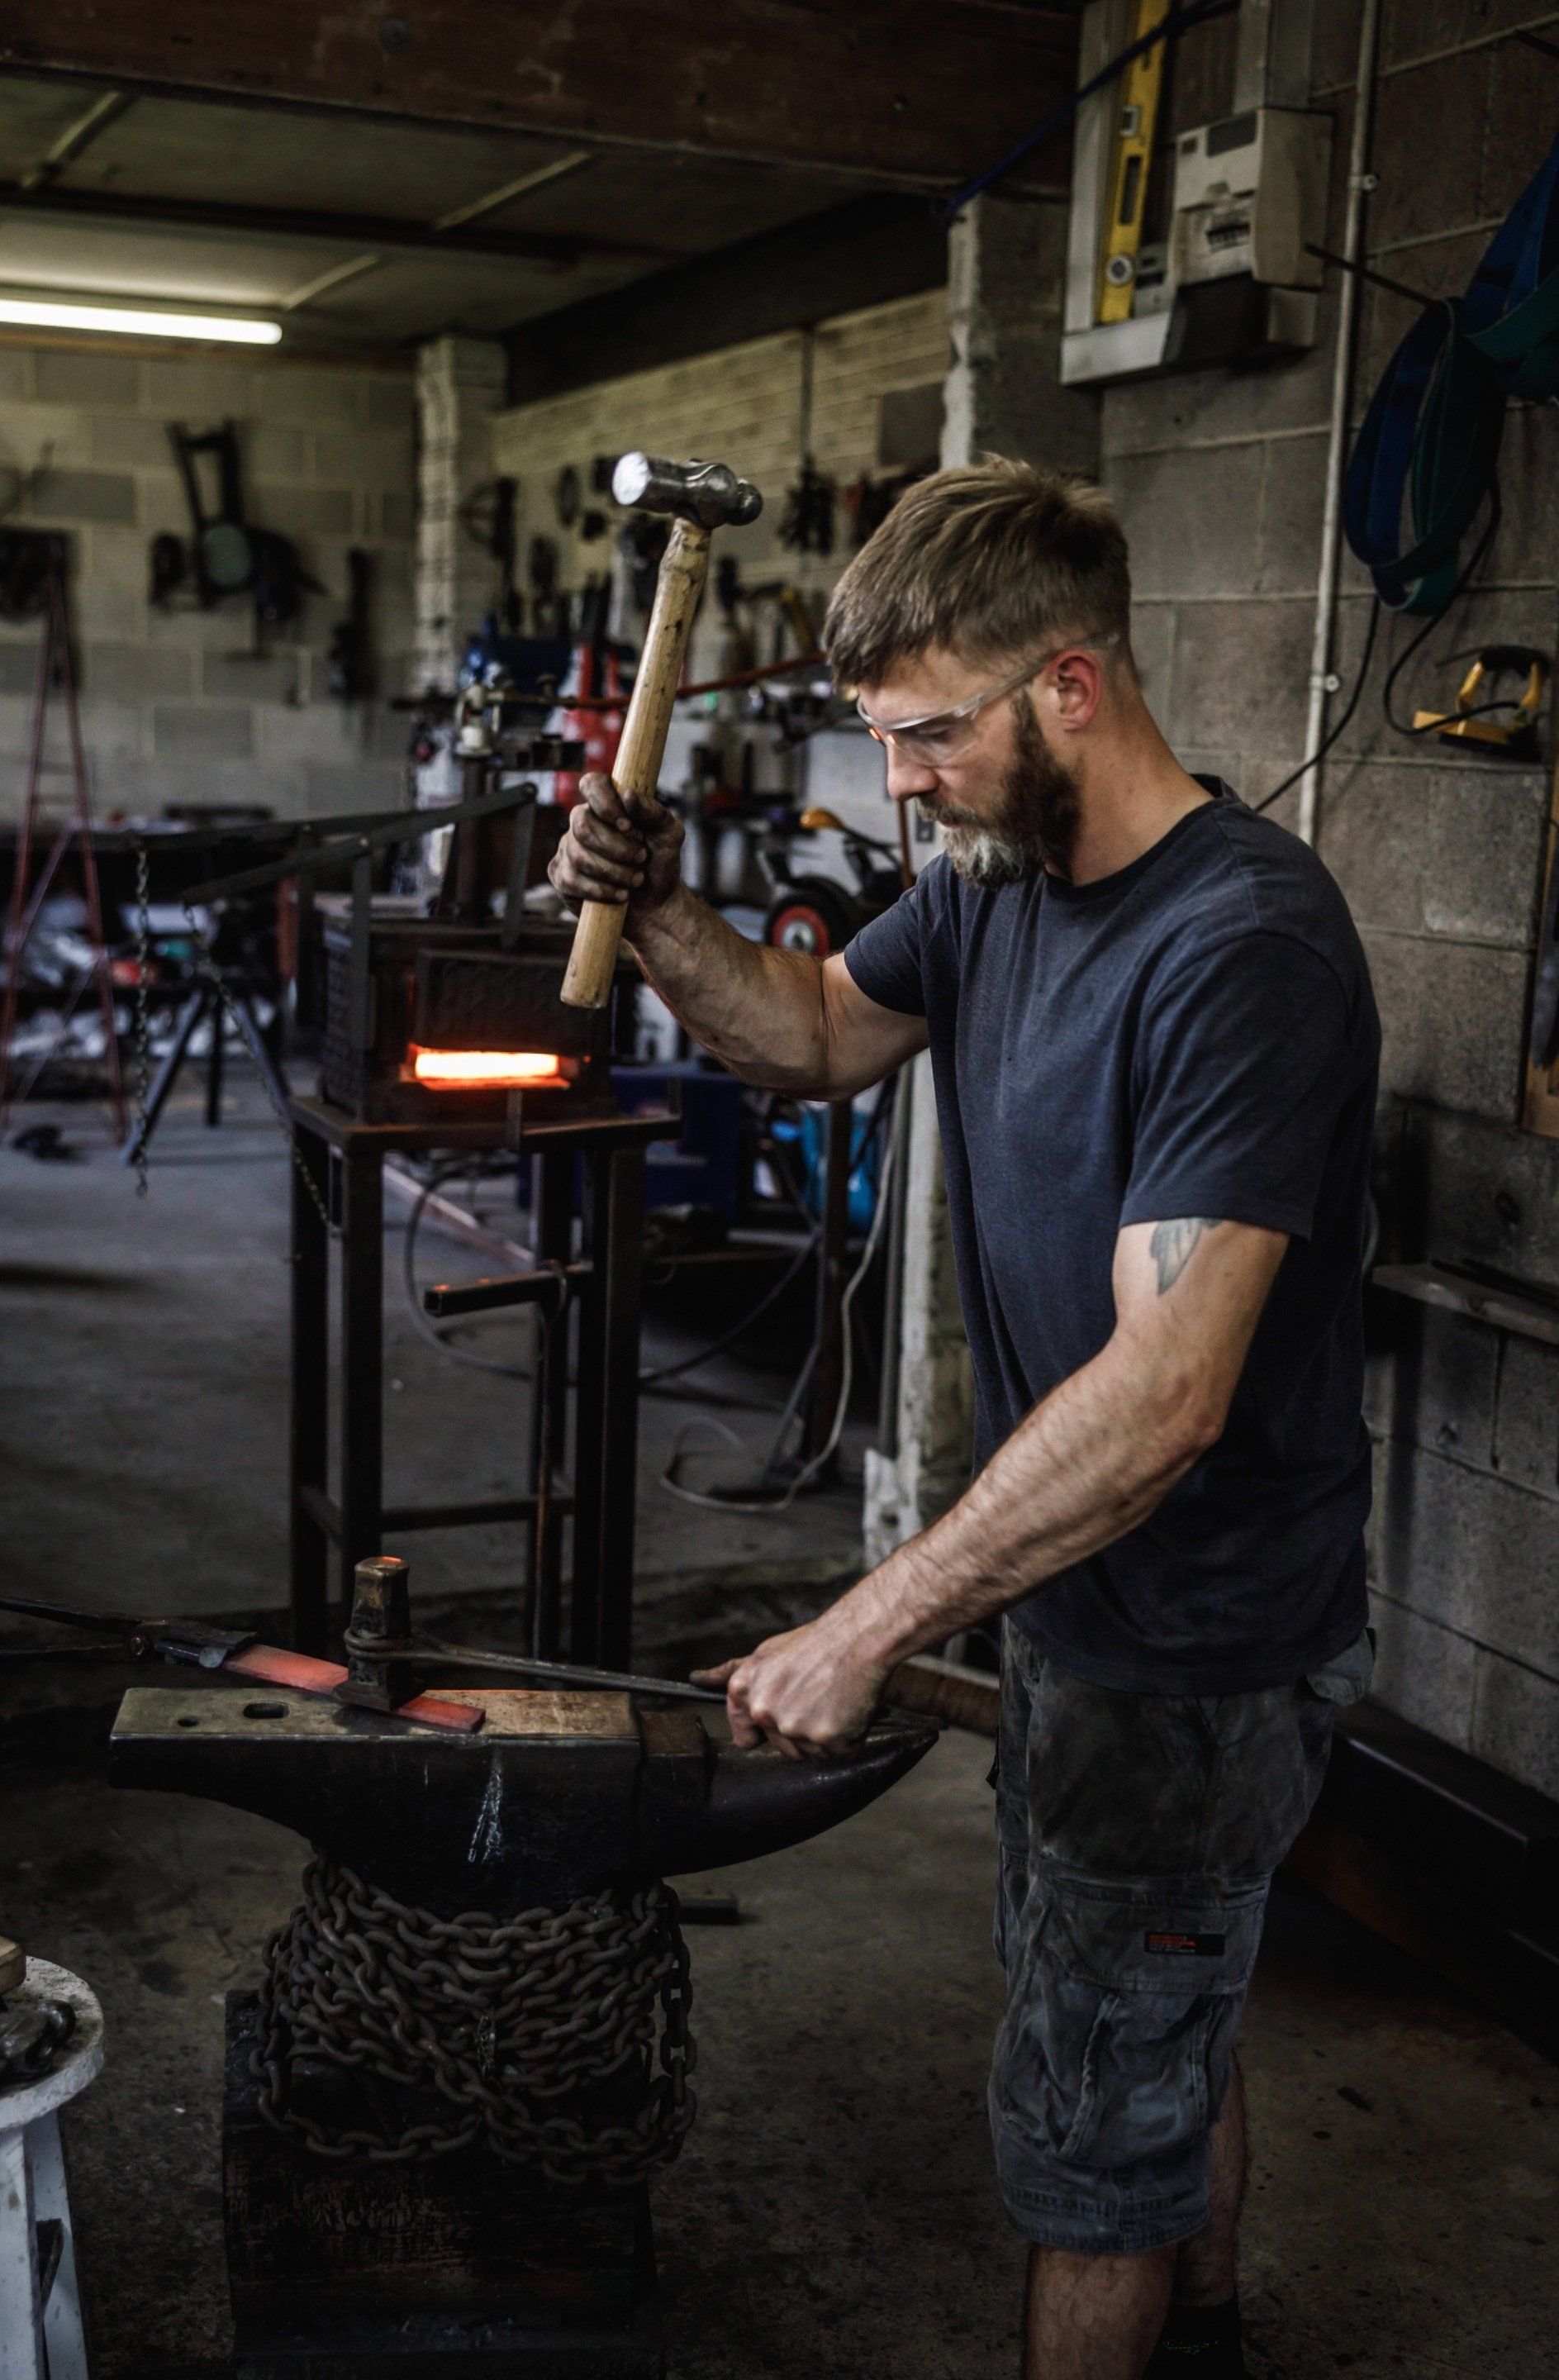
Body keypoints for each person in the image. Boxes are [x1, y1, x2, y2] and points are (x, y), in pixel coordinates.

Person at [549, 460, 1379, 2380]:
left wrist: (865, 1621)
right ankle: (1218, 2336)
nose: (899, 781)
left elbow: (1167, 1399)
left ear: (1071, 688)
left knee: (1088, 2136)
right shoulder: (991, 885)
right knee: (1158, 2019)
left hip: (1199, 1651)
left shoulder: (1239, 947)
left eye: (927, 736)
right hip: (1087, 1616)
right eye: (880, 737)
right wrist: (661, 913)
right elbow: (819, 1035)